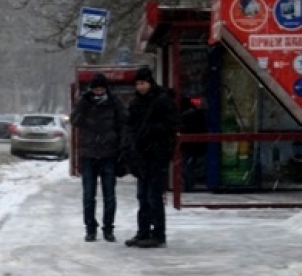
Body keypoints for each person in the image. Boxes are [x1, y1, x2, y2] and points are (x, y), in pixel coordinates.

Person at [123, 66, 181, 248]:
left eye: (143, 83)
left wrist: (153, 132)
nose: (140, 87)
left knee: (153, 196)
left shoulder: (162, 101)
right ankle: (143, 231)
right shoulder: (136, 103)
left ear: (150, 83)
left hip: (157, 154)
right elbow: (129, 126)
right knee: (143, 196)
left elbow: (174, 123)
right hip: (142, 155)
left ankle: (158, 234)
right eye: (138, 83)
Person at [70, 72, 127, 242]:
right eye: (96, 89)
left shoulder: (114, 102)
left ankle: (108, 228)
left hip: (109, 154)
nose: (99, 91)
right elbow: (75, 121)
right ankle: (90, 229)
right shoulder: (84, 102)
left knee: (109, 195)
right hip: (89, 155)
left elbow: (123, 122)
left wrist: (120, 146)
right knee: (89, 195)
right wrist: (83, 104)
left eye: (102, 88)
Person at [180, 96, 207, 192]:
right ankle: (189, 185)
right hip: (196, 145)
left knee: (187, 166)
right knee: (190, 165)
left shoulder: (185, 115)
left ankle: (188, 186)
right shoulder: (197, 113)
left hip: (189, 145)